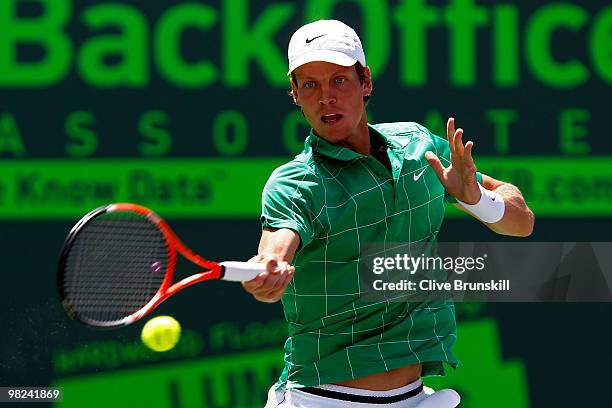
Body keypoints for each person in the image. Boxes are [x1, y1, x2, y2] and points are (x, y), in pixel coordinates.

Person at [243, 19, 534, 408]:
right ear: (295, 94)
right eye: (309, 84)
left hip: (414, 398)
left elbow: (522, 222)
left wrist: (476, 197)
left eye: (339, 80)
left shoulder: (418, 146)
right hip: (322, 400)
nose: (325, 97)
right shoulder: (296, 183)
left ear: (366, 83)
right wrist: (271, 266)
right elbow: (277, 246)